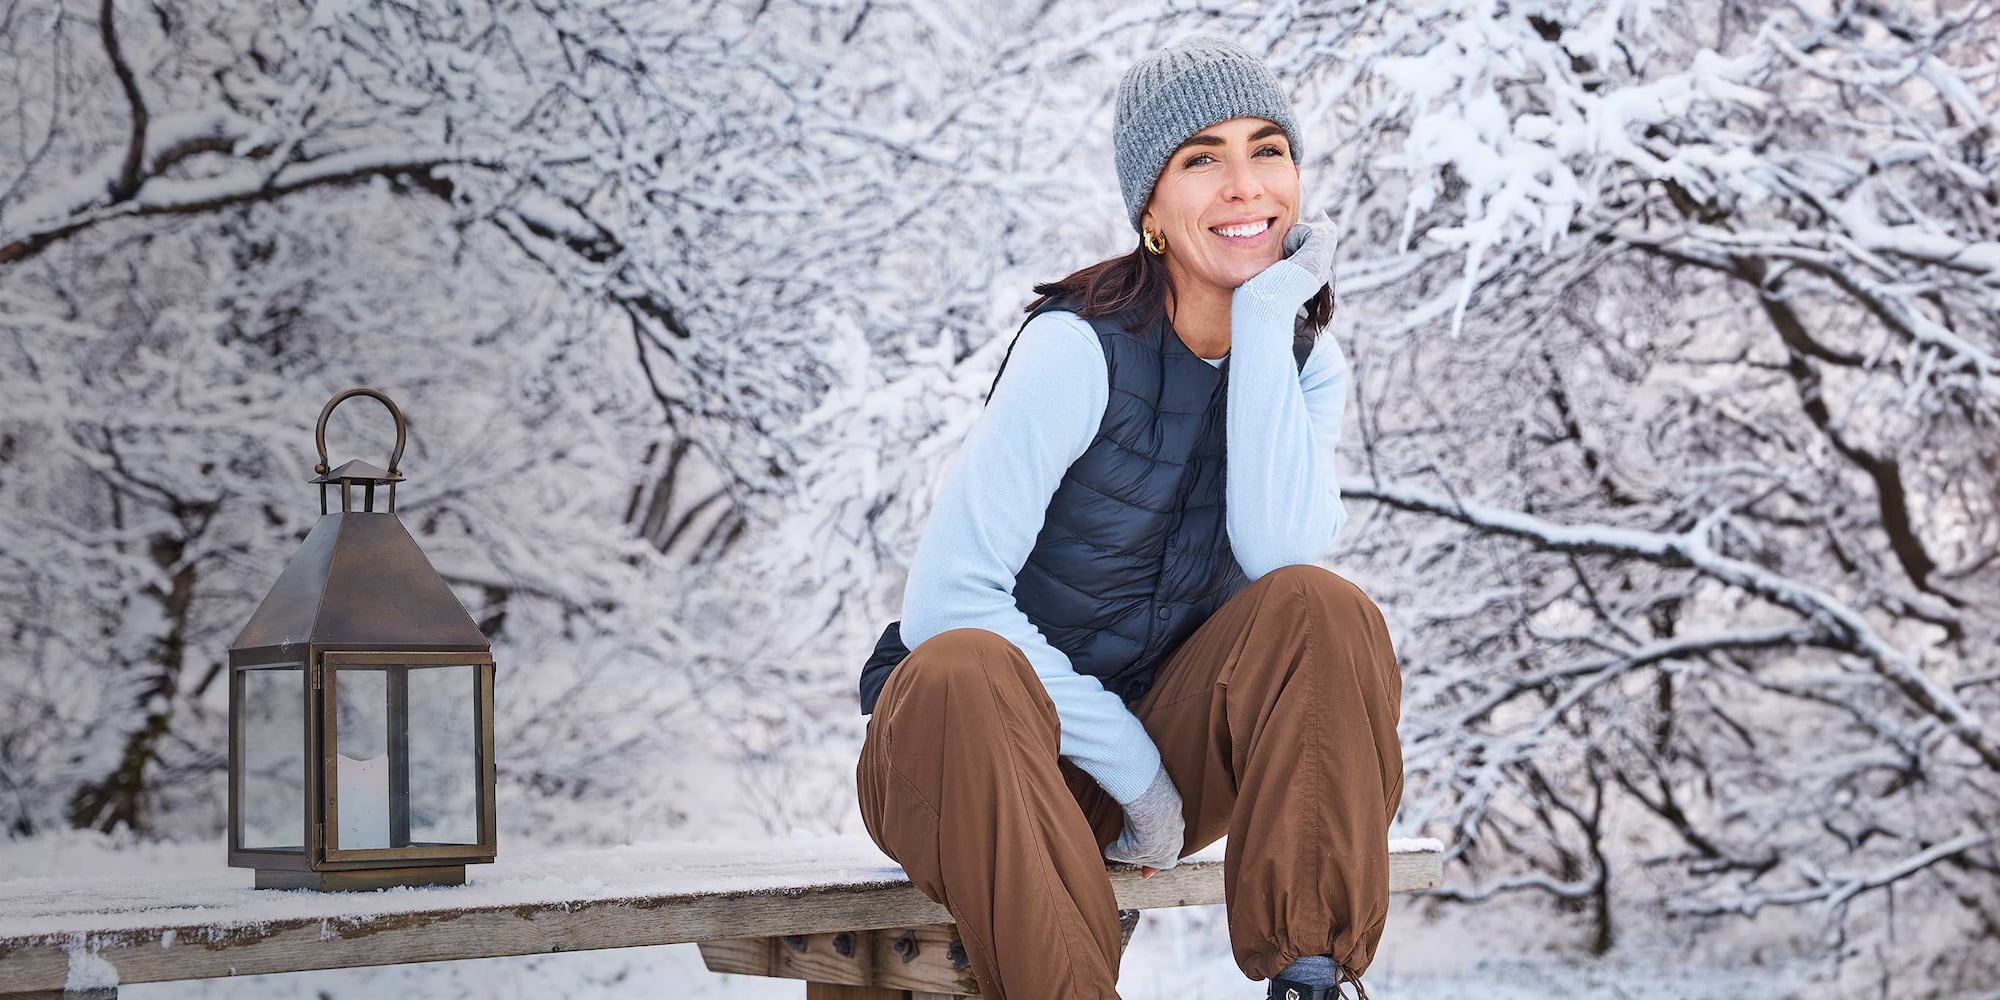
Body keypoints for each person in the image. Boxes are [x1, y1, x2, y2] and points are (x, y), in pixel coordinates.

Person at [854, 36, 1403, 1000]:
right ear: (1150, 204)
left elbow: (1283, 554)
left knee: (1324, 607)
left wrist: (1271, 323)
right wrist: (1139, 775)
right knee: (964, 662)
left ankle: (1311, 978)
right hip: (970, 758)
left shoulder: (1308, 358)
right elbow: (946, 600)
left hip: (1162, 754)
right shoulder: (1077, 348)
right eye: (1202, 159)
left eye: (1268, 150)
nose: (1244, 185)